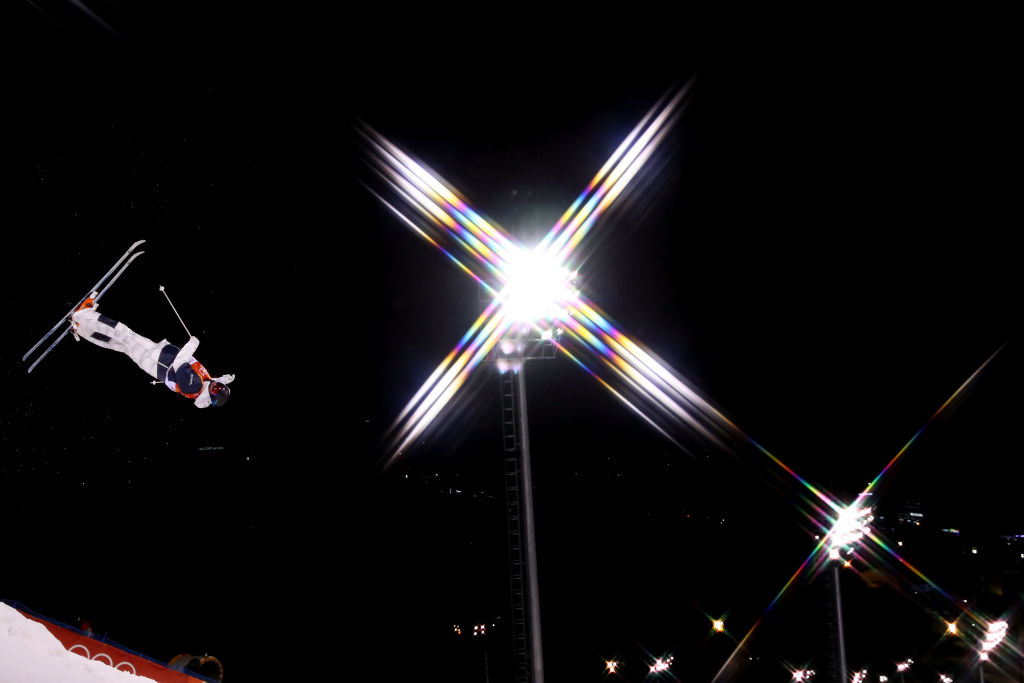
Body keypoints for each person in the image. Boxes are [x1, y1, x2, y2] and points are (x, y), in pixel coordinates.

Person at [69, 296, 234, 408]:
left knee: (123, 333)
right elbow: (208, 381)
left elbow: (179, 362)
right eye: (219, 386)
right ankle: (83, 329)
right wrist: (221, 379)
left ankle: (82, 315)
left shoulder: (194, 386)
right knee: (121, 344)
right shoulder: (204, 384)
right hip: (158, 359)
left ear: (208, 397)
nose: (215, 386)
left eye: (215, 389)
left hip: (155, 359)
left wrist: (193, 344)